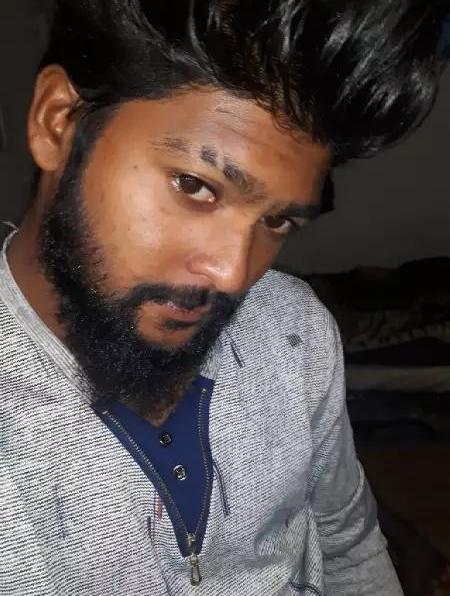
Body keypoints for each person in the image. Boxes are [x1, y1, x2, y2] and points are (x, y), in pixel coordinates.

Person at [0, 1, 447, 594]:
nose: (233, 275)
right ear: (57, 122)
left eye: (278, 221)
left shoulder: (295, 331)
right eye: (195, 186)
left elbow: (348, 541)